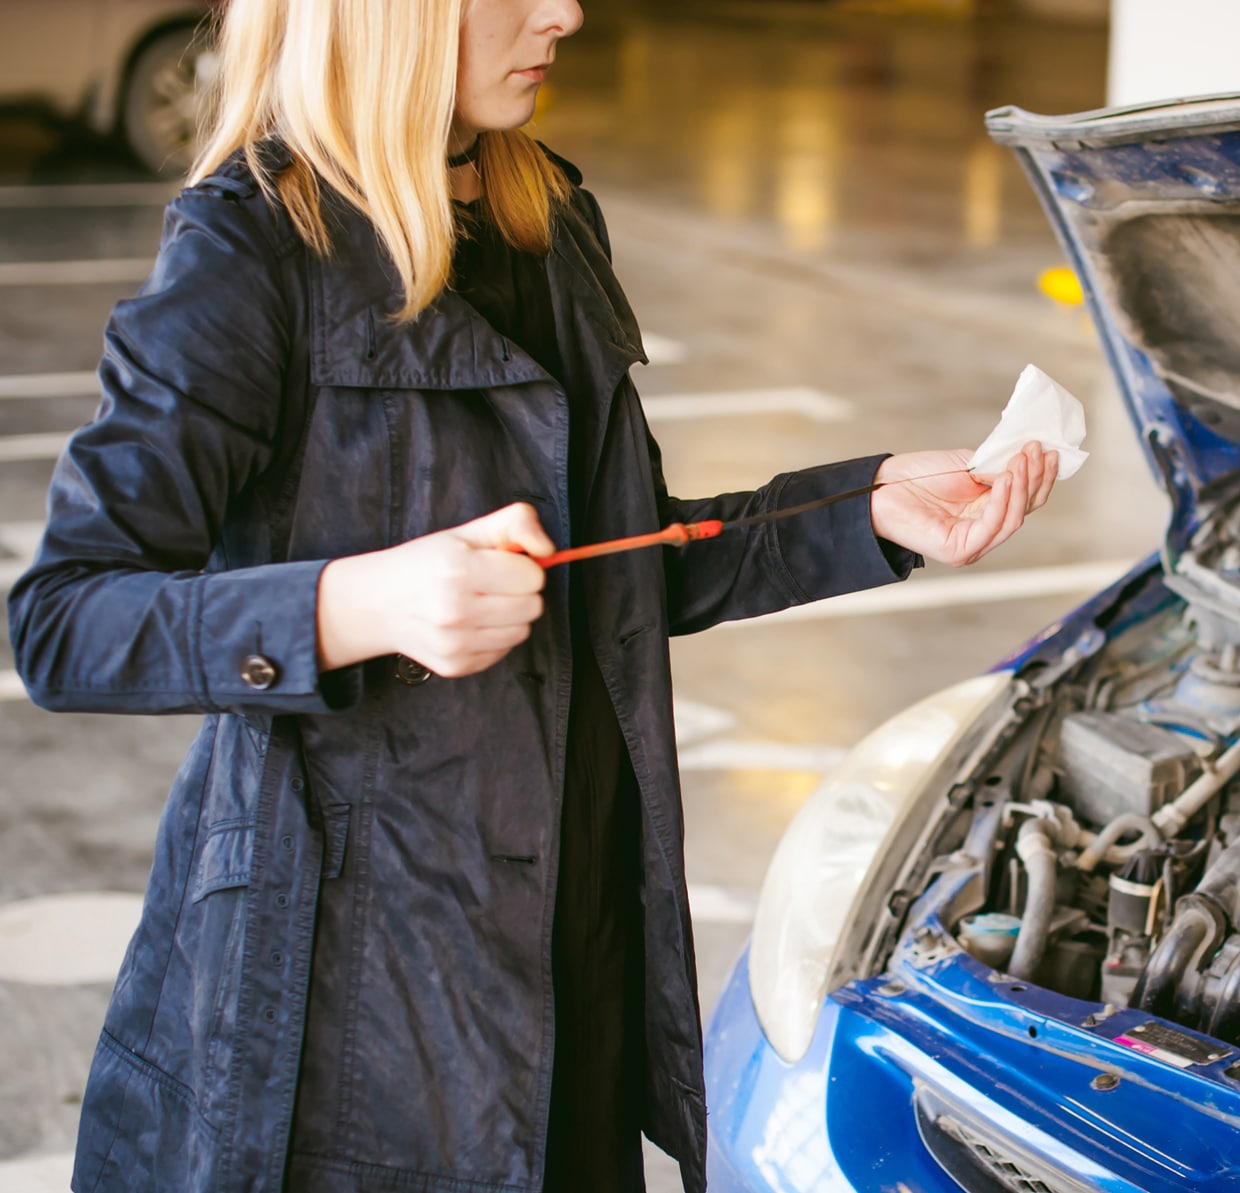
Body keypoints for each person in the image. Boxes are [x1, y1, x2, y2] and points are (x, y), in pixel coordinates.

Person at [6, 0, 1058, 1190]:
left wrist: (860, 504)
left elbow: (618, 565)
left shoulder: (546, 217)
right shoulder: (250, 251)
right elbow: (65, 619)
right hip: (350, 1000)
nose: (564, 11)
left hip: (567, 942)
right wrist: (355, 605)